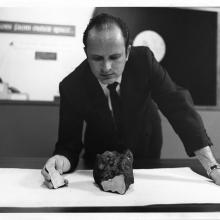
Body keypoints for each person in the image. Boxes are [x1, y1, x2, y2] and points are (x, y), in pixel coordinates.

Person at [41, 13, 220, 188]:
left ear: (127, 52)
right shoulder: (71, 86)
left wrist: (212, 167)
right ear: (86, 53)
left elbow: (178, 107)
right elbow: (67, 147)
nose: (106, 68)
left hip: (145, 144)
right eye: (97, 58)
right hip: (100, 152)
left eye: (114, 57)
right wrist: (57, 163)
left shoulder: (144, 61)